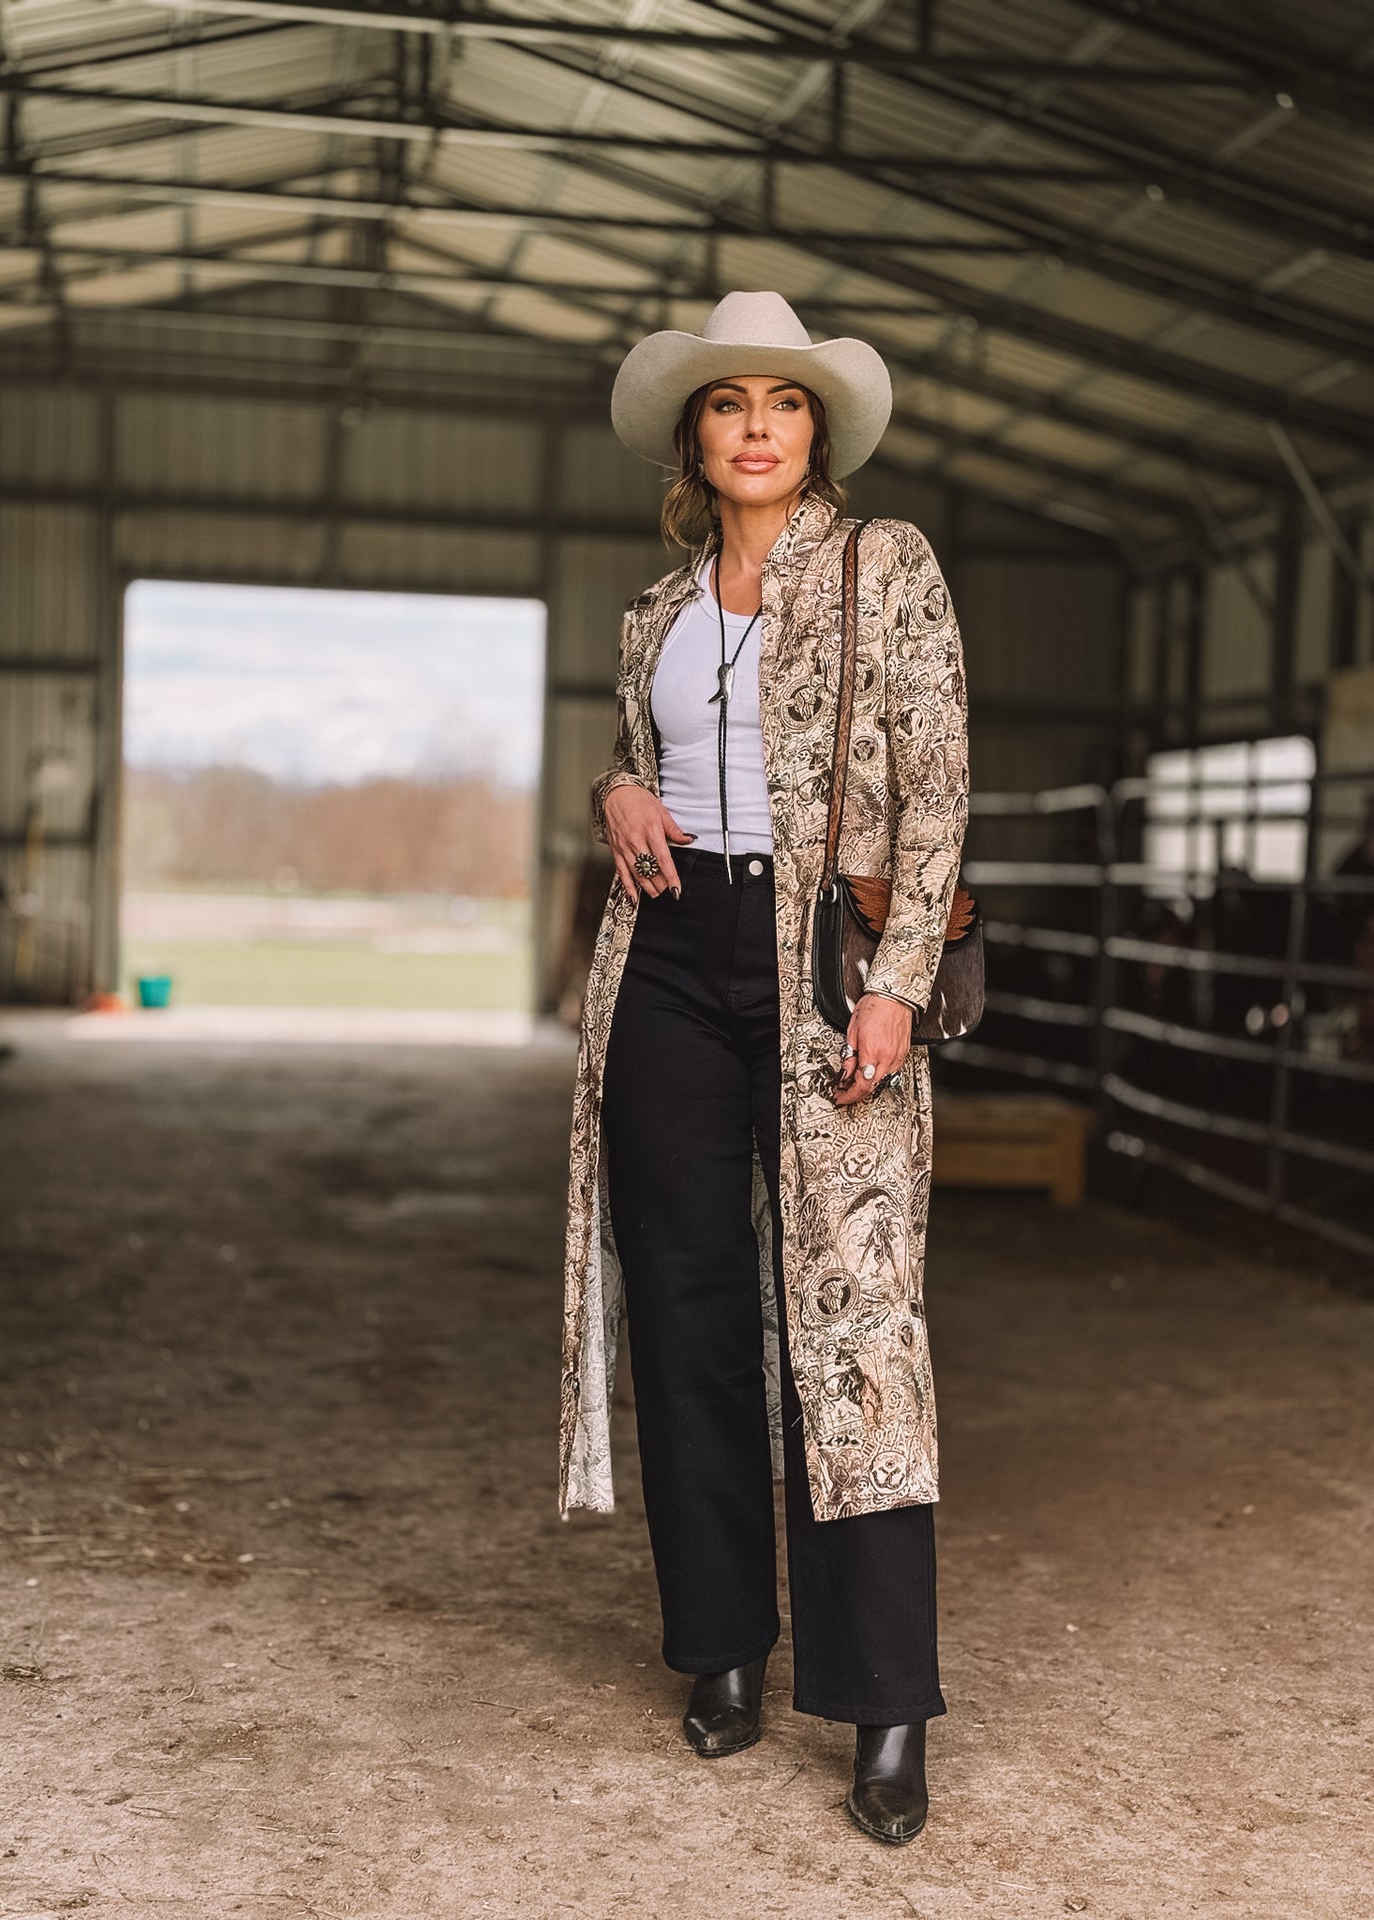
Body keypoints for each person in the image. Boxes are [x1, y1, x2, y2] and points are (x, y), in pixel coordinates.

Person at [558, 290, 969, 1846]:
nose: (755, 427)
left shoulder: (885, 567)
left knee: (858, 1322)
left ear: (817, 431)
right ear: (694, 435)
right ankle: (722, 1642)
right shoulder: (653, 613)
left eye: (782, 403)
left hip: (823, 968)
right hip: (668, 961)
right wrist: (616, 793)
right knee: (688, 1305)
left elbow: (937, 790)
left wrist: (900, 985)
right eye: (728, 402)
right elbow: (647, 762)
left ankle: (884, 1707)